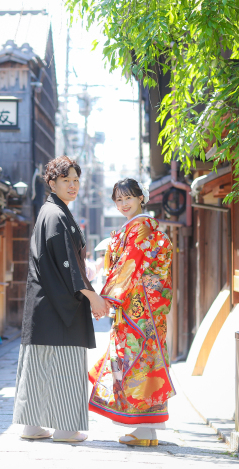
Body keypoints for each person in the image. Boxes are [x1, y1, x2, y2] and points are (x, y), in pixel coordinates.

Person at [12, 156, 110, 443]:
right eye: (66, 180)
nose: (73, 185)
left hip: (43, 304)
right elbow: (68, 264)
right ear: (52, 182)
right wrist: (93, 297)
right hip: (59, 306)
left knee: (39, 365)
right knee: (66, 364)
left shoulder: (51, 212)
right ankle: (66, 428)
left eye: (76, 180)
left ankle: (32, 425)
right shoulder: (55, 215)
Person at [88, 178, 175, 447]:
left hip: (138, 308)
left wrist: (106, 300)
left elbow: (128, 265)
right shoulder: (137, 227)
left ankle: (143, 430)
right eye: (119, 200)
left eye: (129, 198)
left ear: (141, 198)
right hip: (140, 307)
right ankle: (145, 431)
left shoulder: (141, 227)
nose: (124, 204)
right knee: (141, 361)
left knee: (136, 360)